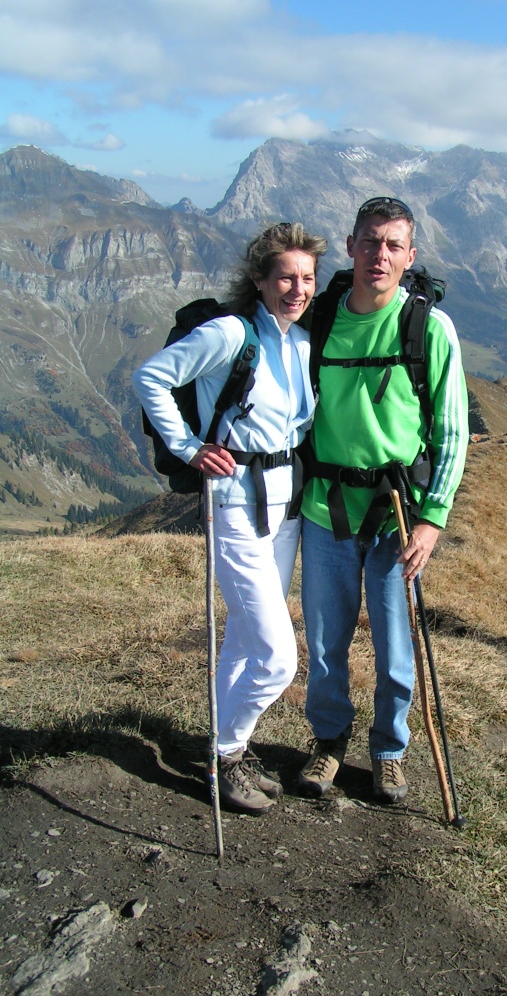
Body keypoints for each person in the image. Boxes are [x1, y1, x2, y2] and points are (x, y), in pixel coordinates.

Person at [133, 222, 327, 815]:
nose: (298, 289)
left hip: (285, 509)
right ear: (260, 280)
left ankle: (225, 749)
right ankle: (226, 755)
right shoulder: (229, 334)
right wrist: (189, 447)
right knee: (278, 658)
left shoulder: (300, 342)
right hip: (235, 505)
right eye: (286, 278)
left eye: (307, 279)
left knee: (244, 637)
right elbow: (151, 377)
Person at [298, 197, 468, 804]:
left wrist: (432, 520)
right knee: (325, 641)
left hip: (399, 515)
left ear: (410, 255)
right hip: (326, 508)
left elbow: (452, 432)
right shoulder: (317, 321)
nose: (380, 254)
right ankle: (329, 741)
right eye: (370, 241)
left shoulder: (429, 329)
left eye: (394, 245)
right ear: (350, 247)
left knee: (397, 645)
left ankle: (389, 751)